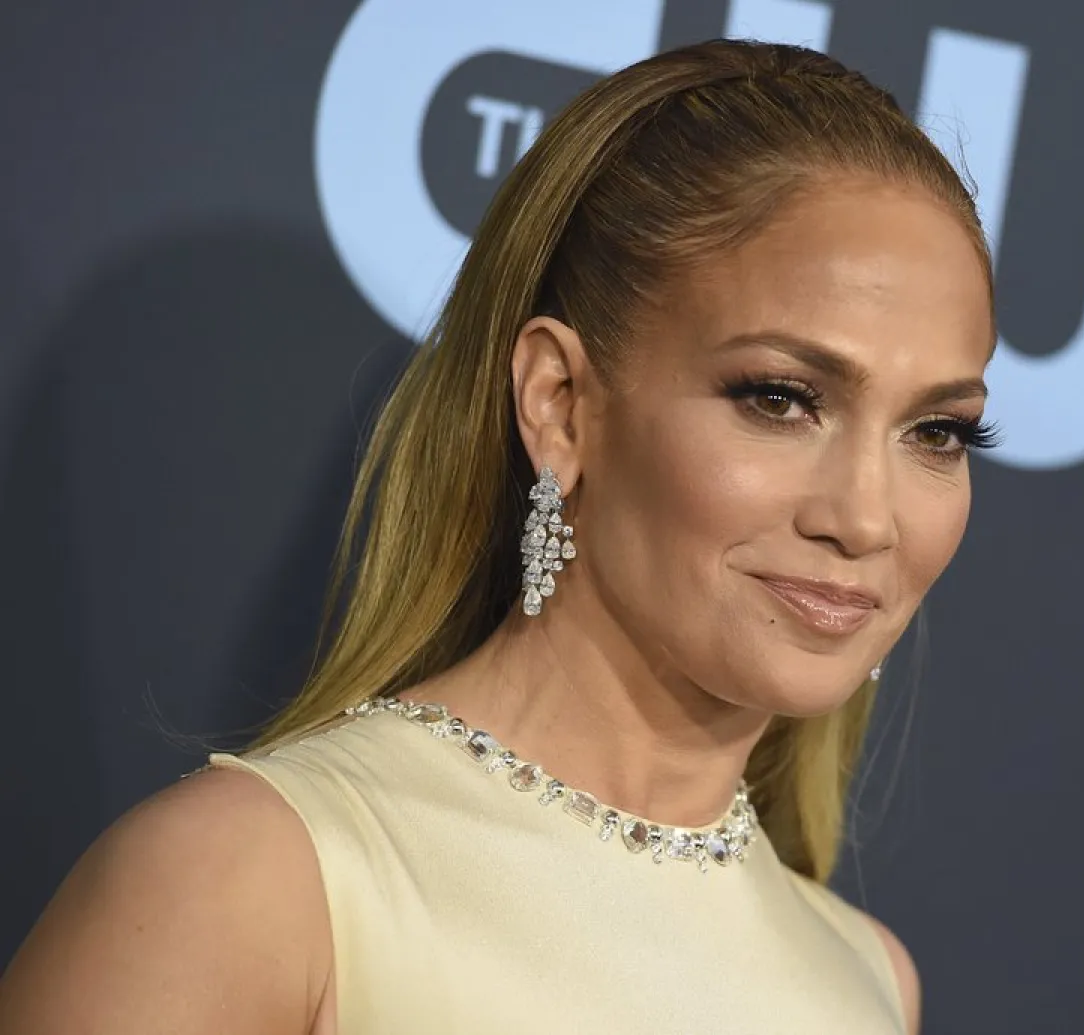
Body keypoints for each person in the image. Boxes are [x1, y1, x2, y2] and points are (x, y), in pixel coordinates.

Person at [0, 37, 996, 1034]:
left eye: (936, 431)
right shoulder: (253, 887)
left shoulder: (868, 984)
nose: (866, 517)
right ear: (560, 404)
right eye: (779, 399)